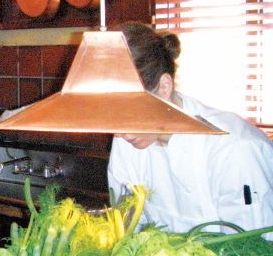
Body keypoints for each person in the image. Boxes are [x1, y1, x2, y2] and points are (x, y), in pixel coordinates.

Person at [107, 22, 273, 234]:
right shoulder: (128, 141)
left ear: (164, 87)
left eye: (129, 114)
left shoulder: (233, 149)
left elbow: (253, 246)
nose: (119, 132)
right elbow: (125, 227)